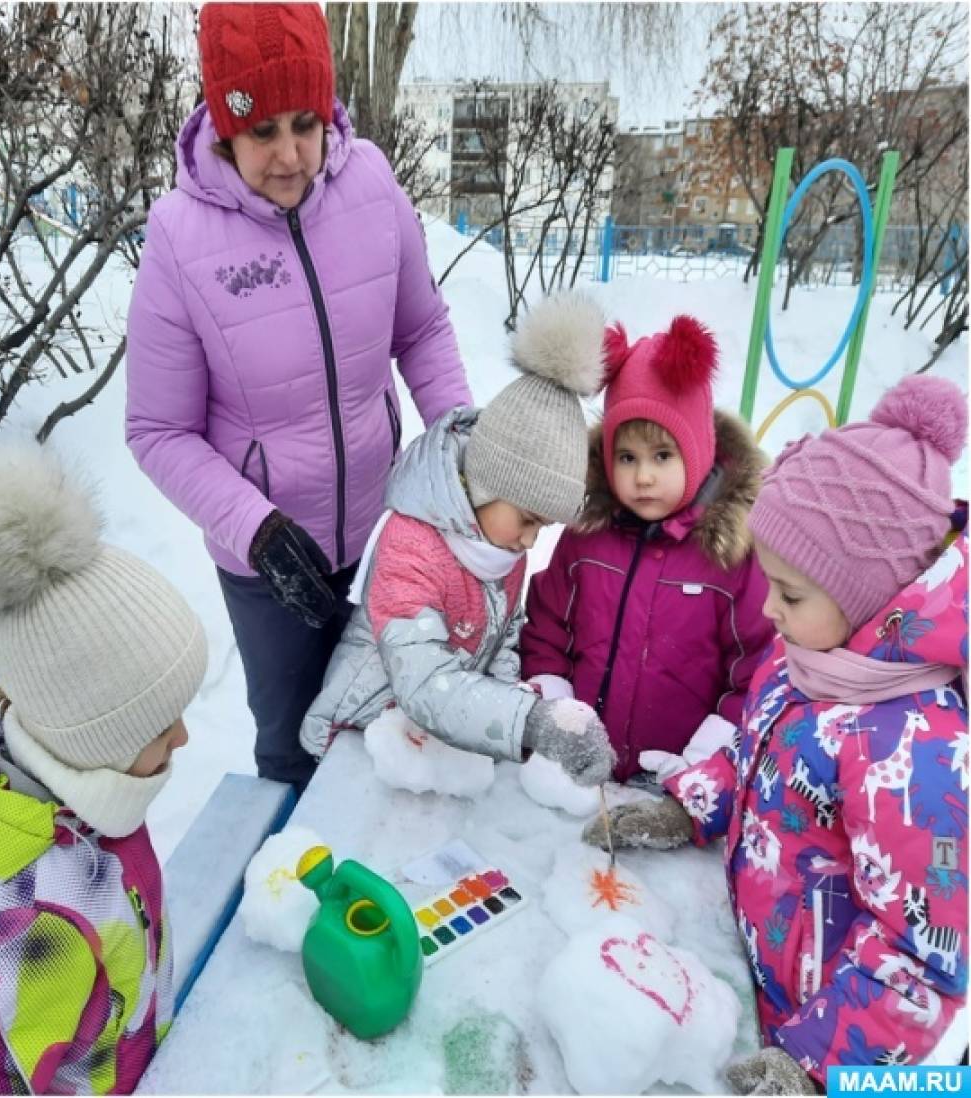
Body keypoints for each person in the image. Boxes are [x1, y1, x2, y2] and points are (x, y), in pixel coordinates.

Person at [584, 376, 969, 1091]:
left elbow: (925, 958)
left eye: (789, 593)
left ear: (872, 602)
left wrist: (817, 1067)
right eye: (770, 584)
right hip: (764, 975)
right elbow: (755, 753)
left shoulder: (920, 756)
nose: (771, 611)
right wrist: (690, 804)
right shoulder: (809, 658)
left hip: (840, 1039)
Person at [125, 2, 471, 791]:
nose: (289, 155)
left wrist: (457, 446)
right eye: (261, 132)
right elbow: (157, 430)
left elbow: (418, 329)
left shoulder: (372, 187)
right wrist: (258, 530)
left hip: (381, 528)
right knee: (291, 738)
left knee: (380, 709)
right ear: (222, 131)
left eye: (304, 124)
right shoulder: (181, 239)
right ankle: (290, 877)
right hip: (266, 561)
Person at [0, 445, 208, 1095]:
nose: (184, 736)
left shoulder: (81, 798)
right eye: (158, 725)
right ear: (93, 735)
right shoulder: (43, 916)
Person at [300, 293, 614, 787]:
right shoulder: (411, 546)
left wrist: (517, 695)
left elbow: (505, 636)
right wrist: (529, 722)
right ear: (487, 484)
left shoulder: (498, 542)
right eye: (530, 520)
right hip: (363, 738)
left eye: (544, 528)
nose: (530, 543)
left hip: (432, 742)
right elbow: (424, 681)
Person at [520, 314, 775, 783]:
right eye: (627, 457)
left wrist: (710, 751)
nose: (642, 477)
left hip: (677, 779)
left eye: (663, 456)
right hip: (576, 771)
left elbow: (757, 666)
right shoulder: (586, 537)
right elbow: (548, 626)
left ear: (696, 452)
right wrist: (554, 704)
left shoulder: (730, 556)